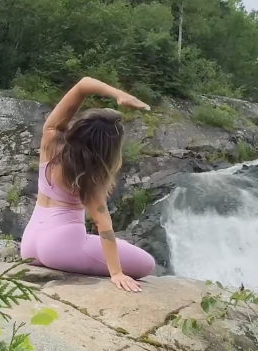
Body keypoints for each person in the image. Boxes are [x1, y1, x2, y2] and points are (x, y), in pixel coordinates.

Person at [20, 77, 156, 291]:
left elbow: (83, 85)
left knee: (122, 248)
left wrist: (118, 94)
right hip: (60, 247)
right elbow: (104, 225)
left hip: (29, 244)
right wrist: (116, 273)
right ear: (106, 150)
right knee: (147, 263)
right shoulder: (89, 176)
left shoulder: (51, 140)